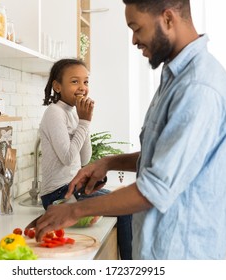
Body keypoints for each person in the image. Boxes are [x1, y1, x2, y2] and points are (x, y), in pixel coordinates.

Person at [29, 0, 226, 260]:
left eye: (137, 28)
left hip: (180, 254)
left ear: (168, 19)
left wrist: (73, 211)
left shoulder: (197, 88)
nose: (134, 40)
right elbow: (164, 157)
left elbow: (155, 187)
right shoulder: (174, 80)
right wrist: (110, 162)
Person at [37, 58, 132, 260]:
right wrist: (85, 121)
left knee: (125, 201)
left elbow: (84, 157)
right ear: (57, 86)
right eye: (74, 81)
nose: (82, 87)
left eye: (86, 82)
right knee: (125, 210)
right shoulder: (54, 113)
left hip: (72, 188)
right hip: (57, 194)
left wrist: (84, 121)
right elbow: (67, 157)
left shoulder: (72, 112)